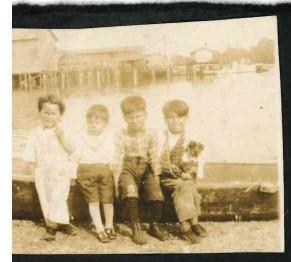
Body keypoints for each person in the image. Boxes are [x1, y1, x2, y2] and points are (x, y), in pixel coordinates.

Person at [112, 95, 168, 245]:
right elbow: (117, 158)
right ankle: (136, 226)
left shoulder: (151, 133)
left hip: (146, 167)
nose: (135, 121)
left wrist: (156, 176)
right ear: (124, 118)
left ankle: (154, 225)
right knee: (130, 190)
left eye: (138, 117)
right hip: (127, 168)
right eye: (131, 118)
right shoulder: (120, 134)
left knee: (156, 193)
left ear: (145, 115)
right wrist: (116, 179)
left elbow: (154, 157)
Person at [22, 94, 77, 241]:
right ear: (40, 112)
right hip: (43, 171)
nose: (49, 117)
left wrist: (61, 137)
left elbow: (72, 150)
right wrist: (33, 174)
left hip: (60, 171)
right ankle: (51, 224)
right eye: (46, 112)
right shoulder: (35, 133)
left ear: (61, 115)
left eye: (54, 113)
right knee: (45, 198)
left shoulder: (64, 131)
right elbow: (30, 155)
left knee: (59, 197)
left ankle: (63, 223)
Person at [159, 99, 208, 244]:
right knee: (183, 187)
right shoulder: (161, 136)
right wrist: (178, 173)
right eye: (170, 118)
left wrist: (189, 173)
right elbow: (159, 161)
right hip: (165, 176)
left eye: (179, 117)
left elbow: (195, 160)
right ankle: (186, 227)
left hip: (184, 175)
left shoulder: (191, 138)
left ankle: (194, 223)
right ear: (165, 119)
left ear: (186, 118)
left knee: (189, 186)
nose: (174, 121)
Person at [73, 104, 116, 243]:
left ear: (106, 124)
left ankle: (109, 225)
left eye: (98, 122)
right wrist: (72, 175)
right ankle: (99, 228)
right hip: (86, 171)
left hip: (105, 171)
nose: (93, 125)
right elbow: (75, 156)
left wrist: (115, 173)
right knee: (94, 201)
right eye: (90, 122)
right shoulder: (81, 136)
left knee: (108, 200)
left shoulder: (109, 137)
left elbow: (113, 156)